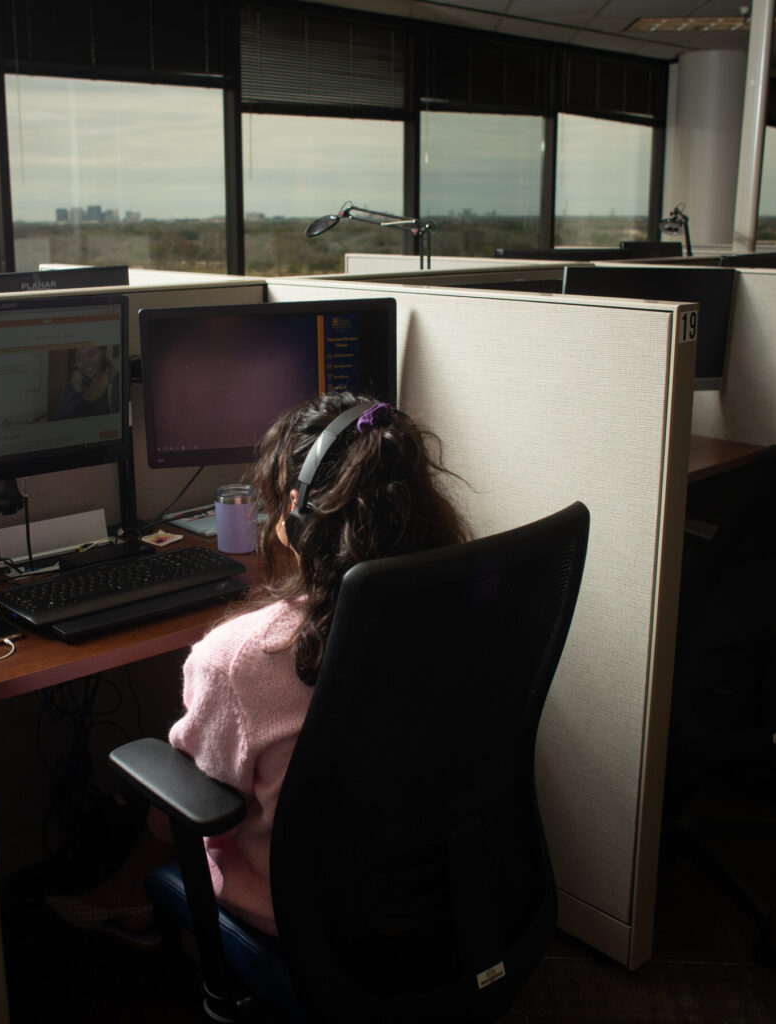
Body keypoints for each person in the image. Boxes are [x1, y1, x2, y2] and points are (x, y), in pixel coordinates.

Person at [48, 391, 467, 945]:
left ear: (295, 510)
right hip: (440, 889)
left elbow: (204, 787)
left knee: (184, 783)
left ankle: (128, 891)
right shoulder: (466, 606)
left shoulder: (241, 657)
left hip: (300, 911)